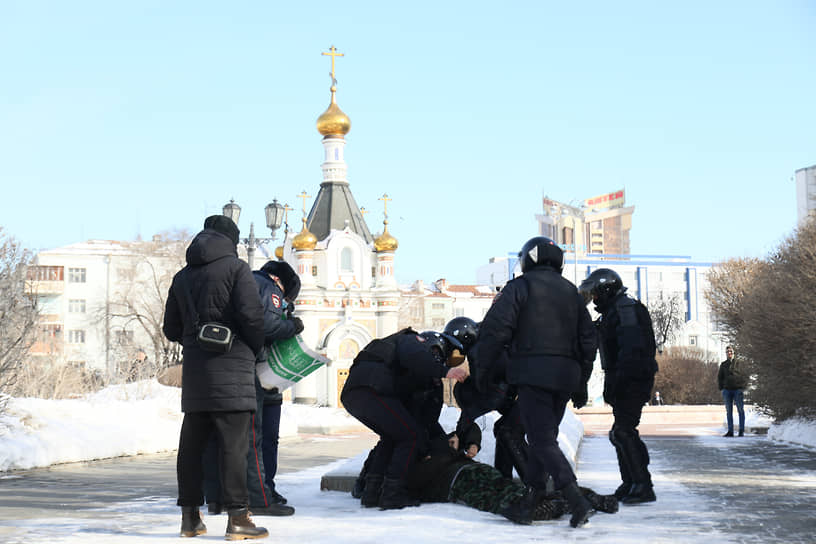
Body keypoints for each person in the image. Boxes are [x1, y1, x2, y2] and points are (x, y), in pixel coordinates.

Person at [472, 236, 598, 528]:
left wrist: (482, 370)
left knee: (541, 440)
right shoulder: (572, 294)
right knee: (545, 440)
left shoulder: (520, 287)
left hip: (533, 374)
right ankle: (530, 502)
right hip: (565, 376)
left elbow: (495, 331)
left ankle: (577, 501)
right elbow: (589, 342)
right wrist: (581, 383)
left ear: (529, 258)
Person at [162, 215, 268, 540]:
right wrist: (256, 347)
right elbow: (251, 316)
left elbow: (171, 329)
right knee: (233, 448)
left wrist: (196, 340)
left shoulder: (182, 276)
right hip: (233, 370)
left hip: (196, 374)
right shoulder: (237, 270)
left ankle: (190, 519)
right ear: (232, 241)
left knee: (192, 447)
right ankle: (238, 519)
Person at [340, 328, 469, 509]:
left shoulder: (405, 371)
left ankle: (372, 493)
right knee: (411, 436)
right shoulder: (410, 340)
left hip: (359, 393)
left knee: (393, 437)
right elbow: (415, 357)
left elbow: (425, 419)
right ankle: (392, 494)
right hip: (371, 390)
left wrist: (440, 444)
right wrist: (445, 371)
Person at [404, 424, 618, 523]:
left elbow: (467, 427)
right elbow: (419, 478)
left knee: (516, 489)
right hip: (455, 483)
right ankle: (566, 503)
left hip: (472, 470)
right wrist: (447, 452)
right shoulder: (406, 456)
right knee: (500, 498)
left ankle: (579, 497)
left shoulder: (425, 432)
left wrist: (471, 442)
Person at [579, 267, 658, 505]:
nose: (593, 300)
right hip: (625, 378)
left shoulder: (625, 309)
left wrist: (620, 383)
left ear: (605, 290)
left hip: (632, 378)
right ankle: (631, 482)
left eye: (595, 294)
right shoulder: (615, 310)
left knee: (623, 432)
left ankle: (643, 485)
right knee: (620, 432)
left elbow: (632, 351)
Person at [718, 345, 748, 437]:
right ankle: (730, 431)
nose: (729, 353)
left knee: (740, 410)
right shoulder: (723, 365)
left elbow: (745, 376)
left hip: (737, 390)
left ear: (734, 352)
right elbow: (720, 377)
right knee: (729, 411)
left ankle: (741, 430)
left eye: (731, 351)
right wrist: (722, 389)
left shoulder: (740, 364)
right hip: (727, 391)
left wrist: (742, 388)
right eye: (727, 352)